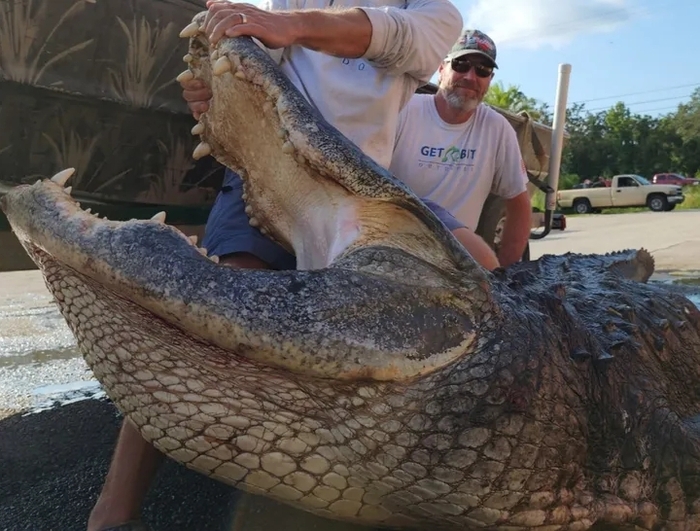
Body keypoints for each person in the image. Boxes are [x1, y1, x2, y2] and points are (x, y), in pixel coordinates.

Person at [87, 1, 466, 530]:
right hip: (265, 165)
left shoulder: (436, 12)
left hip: (353, 188)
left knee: (362, 340)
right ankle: (113, 511)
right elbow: (248, 65)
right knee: (212, 306)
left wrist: (290, 26)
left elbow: (405, 38)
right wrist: (212, 95)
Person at [389, 29, 532, 267]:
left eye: (482, 70)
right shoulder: (403, 111)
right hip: (395, 252)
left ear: (489, 80)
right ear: (441, 69)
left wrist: (507, 277)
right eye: (461, 64)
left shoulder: (497, 129)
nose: (470, 76)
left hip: (457, 265)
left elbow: (519, 204)